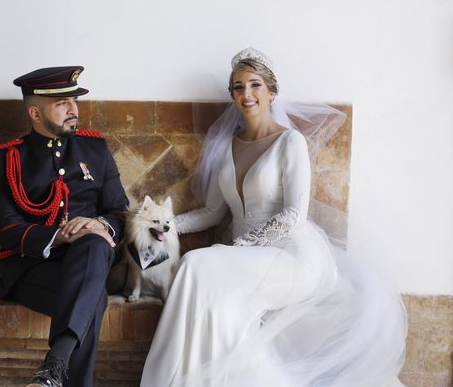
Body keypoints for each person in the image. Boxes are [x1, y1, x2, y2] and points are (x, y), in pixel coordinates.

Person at [141, 48, 407, 387]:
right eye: (238, 87)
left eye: (254, 85)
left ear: (271, 91)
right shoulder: (226, 147)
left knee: (197, 264)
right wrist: (160, 228)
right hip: (248, 256)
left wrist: (243, 245)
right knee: (221, 303)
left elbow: (294, 213)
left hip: (293, 255)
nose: (246, 94)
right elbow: (211, 213)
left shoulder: (289, 142)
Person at [0, 66, 128, 387]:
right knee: (93, 297)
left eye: (74, 101)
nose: (73, 109)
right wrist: (58, 235)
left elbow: (118, 213)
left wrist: (97, 224)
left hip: (90, 259)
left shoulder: (95, 149)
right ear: (35, 112)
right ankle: (59, 365)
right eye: (62, 104)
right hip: (33, 271)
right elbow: (5, 229)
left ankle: (54, 368)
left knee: (93, 241)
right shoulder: (7, 159)